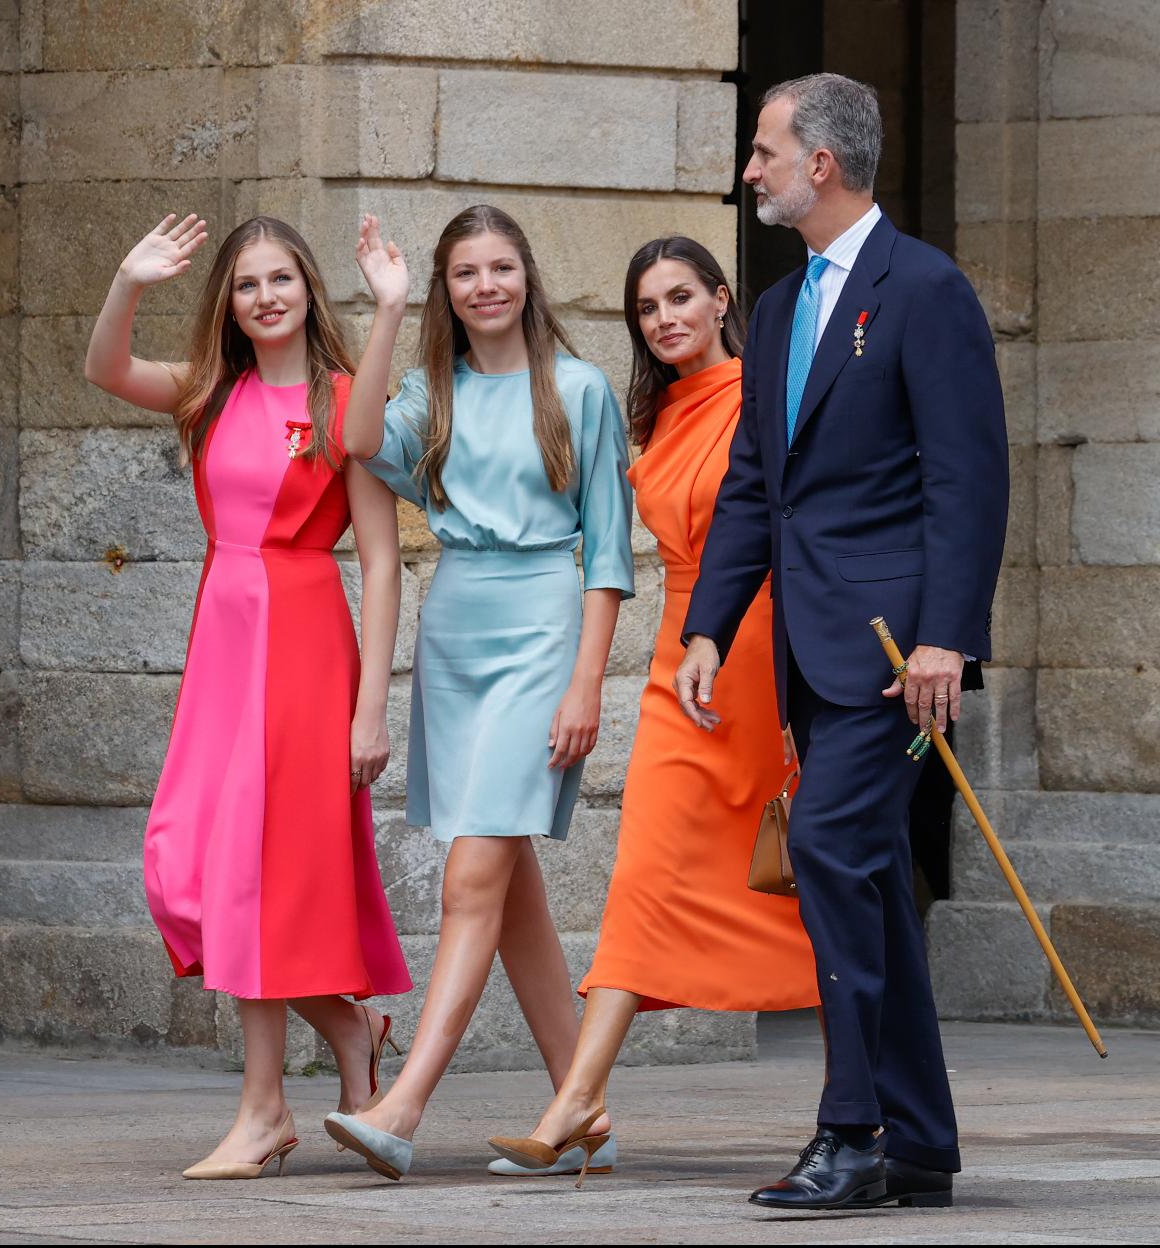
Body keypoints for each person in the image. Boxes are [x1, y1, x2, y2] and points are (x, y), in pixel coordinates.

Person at [676, 73, 1008, 1210]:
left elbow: (969, 480)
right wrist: (710, 625)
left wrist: (945, 642)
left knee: (826, 849)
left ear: (821, 163)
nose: (751, 168)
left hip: (894, 655)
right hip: (805, 650)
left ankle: (852, 1131)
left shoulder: (926, 289)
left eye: (764, 149)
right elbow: (756, 485)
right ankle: (919, 1142)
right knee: (861, 875)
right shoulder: (773, 311)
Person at [485, 237, 819, 1186]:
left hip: (759, 656)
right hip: (682, 659)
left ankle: (866, 1095)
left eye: (682, 297)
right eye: (647, 307)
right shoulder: (655, 412)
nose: (665, 318)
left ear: (722, 301)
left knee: (803, 883)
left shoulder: (769, 393)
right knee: (645, 868)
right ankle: (579, 1099)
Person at [84, 213, 411, 1180]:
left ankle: (264, 1108)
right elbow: (106, 369)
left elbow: (383, 566)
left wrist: (370, 709)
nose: (265, 297)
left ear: (311, 289)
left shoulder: (348, 402)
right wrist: (127, 279)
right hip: (223, 647)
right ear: (228, 303)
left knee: (256, 877)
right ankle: (351, 1033)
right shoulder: (207, 395)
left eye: (281, 279)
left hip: (306, 647)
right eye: (245, 284)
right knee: (184, 869)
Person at [324, 206, 634, 1181]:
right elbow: (358, 434)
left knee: (470, 877)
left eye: (501, 267)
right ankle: (579, 1107)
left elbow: (610, 555)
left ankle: (402, 1106)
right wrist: (386, 307)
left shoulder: (579, 390)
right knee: (511, 896)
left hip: (544, 627)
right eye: (466, 272)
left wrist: (586, 681)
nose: (486, 285)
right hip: (456, 632)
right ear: (448, 291)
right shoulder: (431, 393)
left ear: (528, 279)